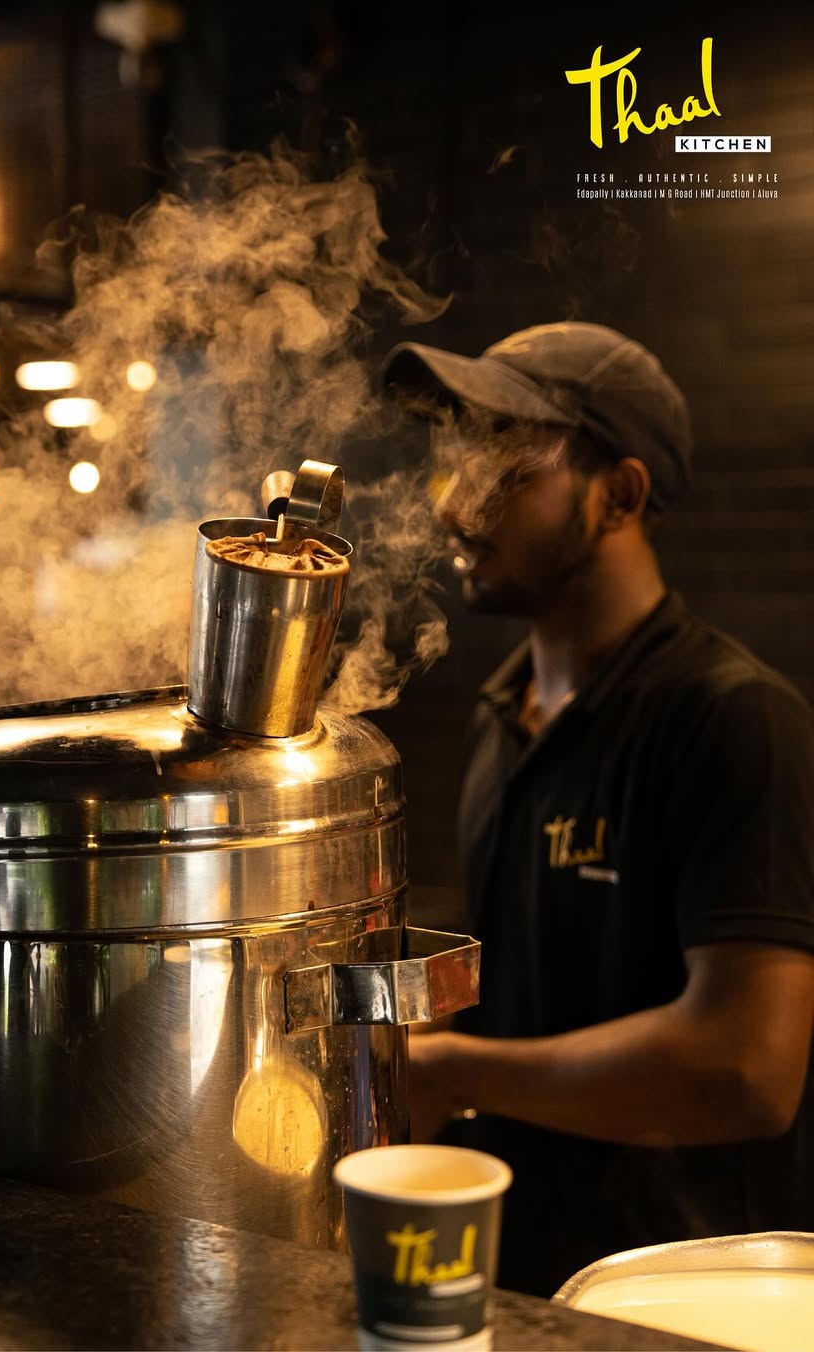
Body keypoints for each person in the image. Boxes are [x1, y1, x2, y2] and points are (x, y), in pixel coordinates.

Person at [382, 322, 814, 1298]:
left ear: (618, 494)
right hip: (526, 1280)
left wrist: (453, 1070)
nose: (452, 500)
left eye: (502, 462)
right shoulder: (505, 716)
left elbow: (749, 1065)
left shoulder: (732, 718)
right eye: (454, 457)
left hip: (677, 1293)